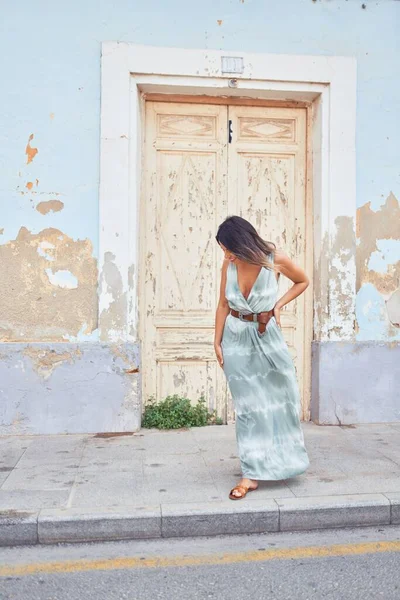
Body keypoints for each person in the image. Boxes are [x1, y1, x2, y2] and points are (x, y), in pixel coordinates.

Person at [214, 215, 310, 500]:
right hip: (235, 338)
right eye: (223, 251)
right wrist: (216, 340)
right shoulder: (229, 264)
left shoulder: (275, 258)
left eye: (229, 249)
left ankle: (284, 461)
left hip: (267, 337)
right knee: (248, 409)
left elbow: (302, 281)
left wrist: (279, 304)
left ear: (243, 243)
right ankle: (251, 473)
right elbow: (222, 303)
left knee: (284, 397)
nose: (227, 255)